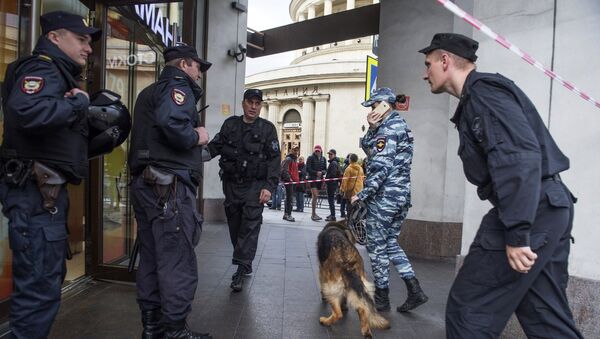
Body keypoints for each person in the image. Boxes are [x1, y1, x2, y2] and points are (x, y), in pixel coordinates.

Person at [419, 33, 583, 338]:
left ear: (445, 61)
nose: (424, 72)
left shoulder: (483, 94)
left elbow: (517, 157)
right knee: (544, 315)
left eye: (428, 64)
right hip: (549, 205)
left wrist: (518, 232)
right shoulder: (479, 98)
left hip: (532, 209)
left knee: (469, 310)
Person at [0, 11, 100, 338]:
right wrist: (78, 105)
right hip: (35, 195)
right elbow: (26, 110)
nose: (88, 48)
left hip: (43, 196)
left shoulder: (58, 73)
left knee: (43, 286)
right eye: (81, 39)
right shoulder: (42, 67)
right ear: (55, 37)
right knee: (38, 292)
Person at [128, 44, 212, 339]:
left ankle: (152, 327)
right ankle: (174, 330)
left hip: (148, 185)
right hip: (169, 188)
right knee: (176, 259)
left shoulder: (148, 92)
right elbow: (172, 125)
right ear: (185, 64)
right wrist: (196, 136)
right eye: (198, 66)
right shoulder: (179, 87)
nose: (200, 73)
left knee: (151, 257)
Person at [351, 87, 428, 313]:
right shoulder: (395, 126)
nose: (372, 110)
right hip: (400, 196)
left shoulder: (389, 129)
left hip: (385, 197)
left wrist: (361, 195)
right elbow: (368, 148)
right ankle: (415, 290)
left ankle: (382, 299)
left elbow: (381, 166)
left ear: (384, 105)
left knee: (376, 247)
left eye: (374, 105)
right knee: (391, 243)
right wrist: (373, 128)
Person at [207, 88, 280, 292]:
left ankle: (240, 269)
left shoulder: (267, 129)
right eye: (250, 102)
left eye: (258, 103)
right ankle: (244, 260)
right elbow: (216, 146)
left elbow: (275, 160)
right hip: (231, 185)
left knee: (249, 225)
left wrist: (269, 187)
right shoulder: (230, 124)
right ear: (243, 103)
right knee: (235, 226)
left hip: (255, 187)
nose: (254, 107)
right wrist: (195, 155)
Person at [339, 153, 364, 218]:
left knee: (349, 207)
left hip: (351, 191)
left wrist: (342, 190)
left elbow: (345, 180)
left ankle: (349, 221)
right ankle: (356, 220)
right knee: (356, 207)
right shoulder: (360, 168)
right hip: (359, 191)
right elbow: (362, 179)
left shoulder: (349, 169)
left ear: (350, 159)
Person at [306, 145, 327, 221]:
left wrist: (322, 172)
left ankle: (314, 214)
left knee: (315, 197)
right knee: (315, 195)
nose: (317, 152)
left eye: (318, 151)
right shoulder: (310, 158)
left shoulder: (323, 159)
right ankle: (313, 214)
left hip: (320, 180)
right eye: (316, 151)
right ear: (314, 151)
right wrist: (316, 173)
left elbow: (325, 169)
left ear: (321, 151)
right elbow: (308, 168)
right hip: (313, 179)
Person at [281, 146, 299, 222]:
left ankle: (286, 214)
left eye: (297, 150)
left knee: (288, 198)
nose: (296, 152)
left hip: (293, 181)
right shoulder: (289, 159)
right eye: (294, 150)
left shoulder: (294, 159)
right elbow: (284, 169)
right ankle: (288, 214)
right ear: (291, 150)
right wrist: (289, 178)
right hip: (289, 182)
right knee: (289, 199)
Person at [324, 149, 341, 221]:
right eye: (329, 154)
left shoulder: (333, 163)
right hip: (332, 184)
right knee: (331, 200)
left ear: (334, 155)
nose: (329, 156)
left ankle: (333, 216)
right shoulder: (334, 162)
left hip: (331, 184)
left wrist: (326, 178)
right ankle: (332, 214)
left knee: (331, 200)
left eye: (331, 154)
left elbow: (333, 174)